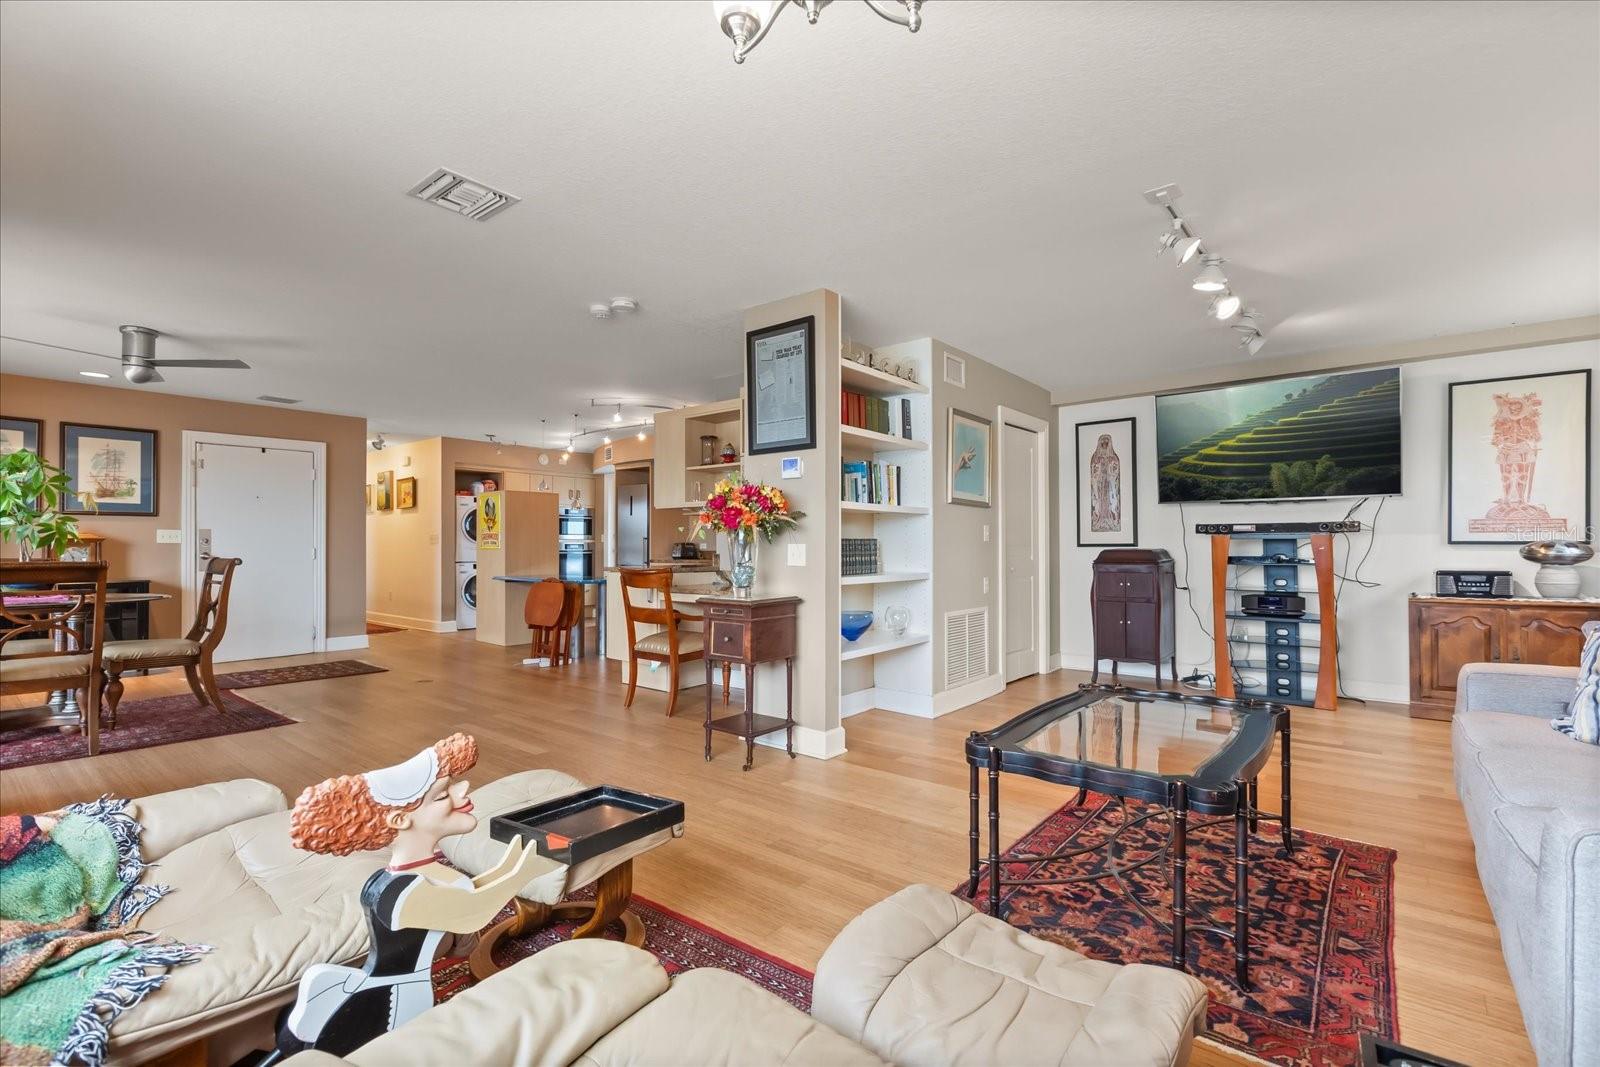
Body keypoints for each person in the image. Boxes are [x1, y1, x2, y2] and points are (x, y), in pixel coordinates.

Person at [270, 733, 550, 1058]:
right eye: (442, 794)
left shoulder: (410, 877)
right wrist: (524, 871)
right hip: (395, 995)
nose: (462, 791)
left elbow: (469, 892)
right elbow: (474, 911)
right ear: (400, 819)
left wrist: (513, 863)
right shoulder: (404, 893)